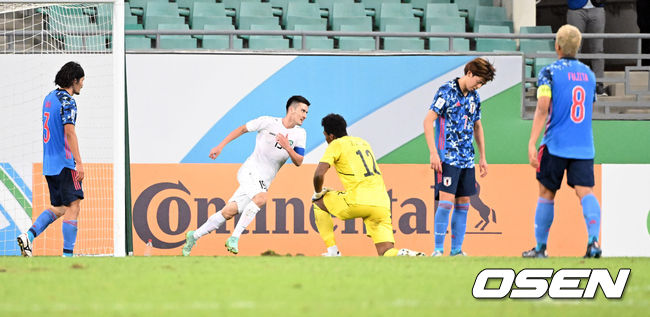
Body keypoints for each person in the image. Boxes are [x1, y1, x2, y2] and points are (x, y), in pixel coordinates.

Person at [182, 95, 310, 256]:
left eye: (306, 112)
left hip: (264, 181)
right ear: (292, 109)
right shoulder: (268, 122)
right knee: (262, 198)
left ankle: (194, 236)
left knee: (229, 211)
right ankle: (234, 238)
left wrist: (287, 147)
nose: (305, 115)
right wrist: (220, 146)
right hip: (249, 171)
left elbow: (299, 161)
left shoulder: (300, 134)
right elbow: (242, 129)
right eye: (303, 111)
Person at [523, 24, 602, 258]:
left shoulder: (549, 72)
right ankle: (593, 242)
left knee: (547, 193)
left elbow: (542, 107)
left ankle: (540, 248)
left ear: (556, 46)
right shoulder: (589, 74)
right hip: (583, 144)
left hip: (556, 142)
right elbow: (589, 105)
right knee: (585, 191)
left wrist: (531, 141)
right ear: (578, 47)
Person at [312, 114, 424, 257]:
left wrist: (318, 193)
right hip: (382, 203)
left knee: (318, 203)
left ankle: (333, 252)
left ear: (331, 136)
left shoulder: (336, 144)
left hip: (358, 200)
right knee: (385, 252)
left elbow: (318, 175)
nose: (326, 140)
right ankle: (404, 254)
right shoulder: (363, 143)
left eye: (325, 136)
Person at [423, 57, 495, 257]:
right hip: (447, 158)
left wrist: (482, 157)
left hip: (467, 160)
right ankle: (438, 250)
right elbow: (428, 122)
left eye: (482, 84)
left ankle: (456, 251)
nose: (479, 86)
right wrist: (433, 152)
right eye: (478, 81)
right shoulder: (446, 91)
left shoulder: (475, 97)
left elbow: (477, 126)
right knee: (445, 203)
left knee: (463, 205)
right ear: (469, 73)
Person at [17, 61, 86, 257]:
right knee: (74, 205)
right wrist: (79, 162)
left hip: (49, 165)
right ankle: (68, 255)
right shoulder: (68, 101)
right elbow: (69, 132)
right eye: (81, 81)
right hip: (65, 163)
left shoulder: (49, 98)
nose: (82, 85)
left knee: (61, 207)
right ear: (74, 80)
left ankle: (28, 236)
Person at [567, 0, 607, 95]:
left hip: (597, 7)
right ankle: (573, 82)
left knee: (598, 48)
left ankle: (598, 84)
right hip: (575, 8)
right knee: (574, 48)